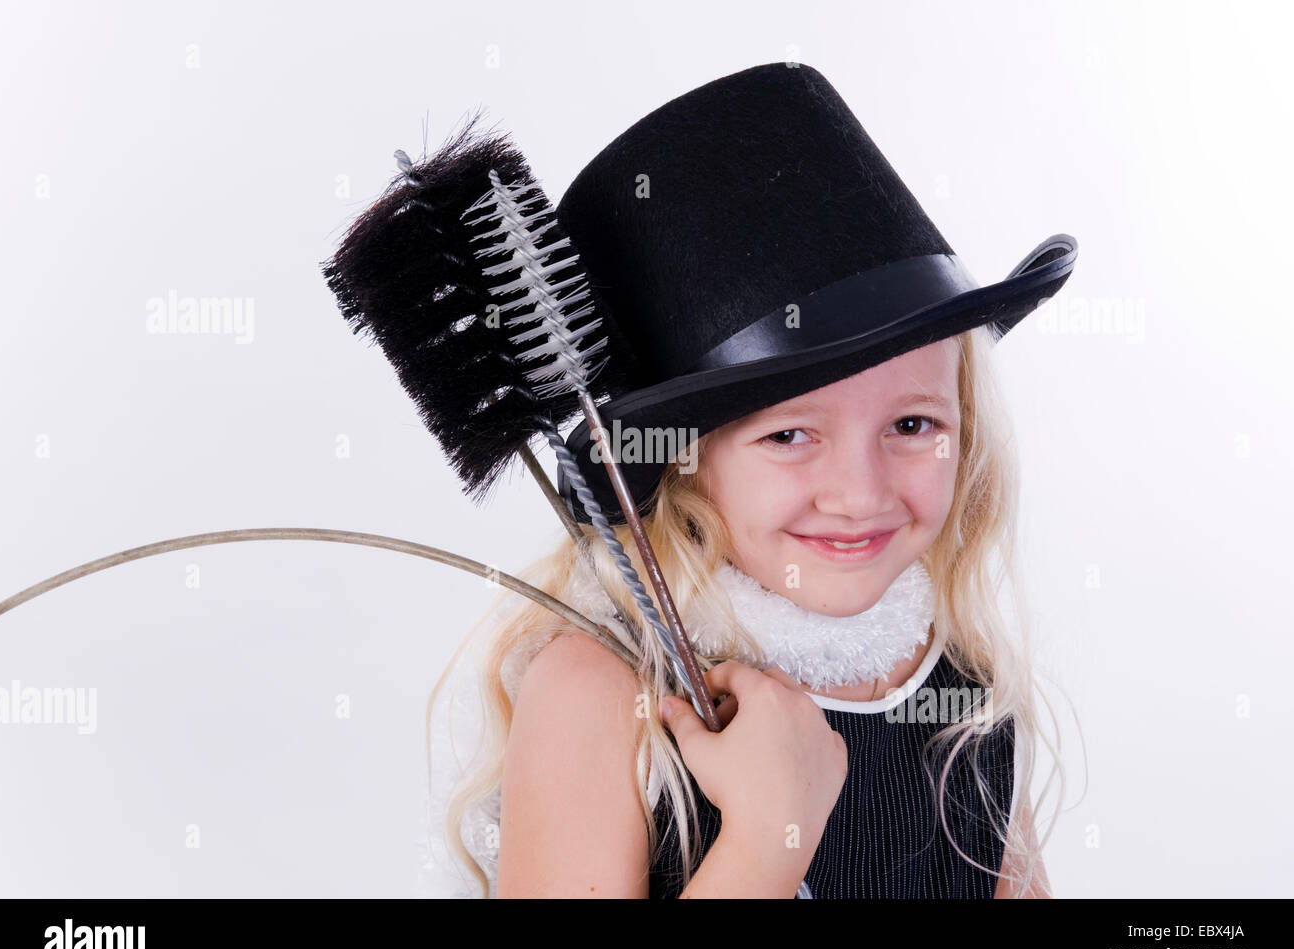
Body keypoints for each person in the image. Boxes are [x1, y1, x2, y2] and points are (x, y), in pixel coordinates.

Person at [419, 61, 1076, 899]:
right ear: (682, 459)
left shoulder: (961, 693)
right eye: (790, 434)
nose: (860, 491)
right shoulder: (602, 696)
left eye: (913, 425)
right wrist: (767, 837)